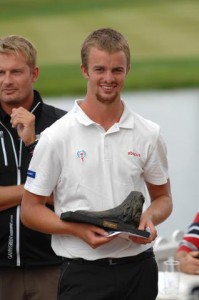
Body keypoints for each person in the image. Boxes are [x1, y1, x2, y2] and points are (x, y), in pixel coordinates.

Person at [21, 28, 173, 300]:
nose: (108, 78)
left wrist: (148, 219)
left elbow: (163, 198)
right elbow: (30, 211)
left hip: (139, 271)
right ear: (84, 71)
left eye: (117, 70)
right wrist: (75, 230)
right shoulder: (57, 136)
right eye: (100, 69)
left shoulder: (148, 133)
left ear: (127, 70)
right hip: (82, 275)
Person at [0, 35, 66, 300]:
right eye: (1, 72)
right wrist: (35, 191)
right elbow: (50, 193)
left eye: (16, 71)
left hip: (54, 267)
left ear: (34, 73)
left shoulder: (63, 124)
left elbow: (70, 194)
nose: (7, 80)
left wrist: (33, 141)